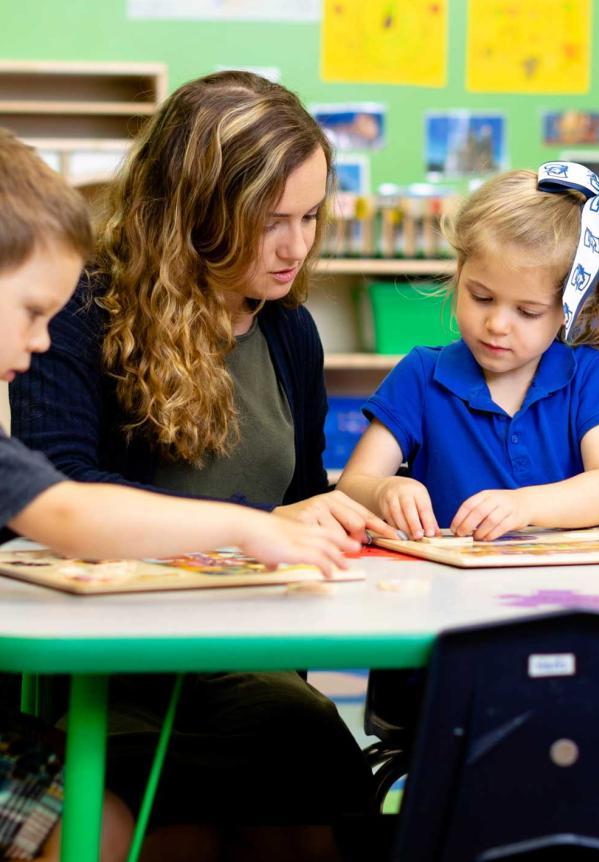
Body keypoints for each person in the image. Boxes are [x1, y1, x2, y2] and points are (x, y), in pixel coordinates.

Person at [10, 71, 395, 861]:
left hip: (245, 657)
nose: (298, 246)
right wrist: (253, 528)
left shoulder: (289, 331)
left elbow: (298, 500)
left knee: (304, 754)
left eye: (312, 216)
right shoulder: (74, 316)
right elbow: (63, 502)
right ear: (194, 212)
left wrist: (358, 502)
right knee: (170, 820)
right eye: (270, 220)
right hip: (109, 661)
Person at [338, 162, 599, 541]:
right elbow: (352, 486)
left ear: (571, 310)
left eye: (527, 312)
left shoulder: (588, 375)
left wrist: (525, 506)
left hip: (572, 582)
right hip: (454, 588)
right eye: (481, 297)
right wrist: (383, 490)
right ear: (460, 272)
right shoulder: (421, 374)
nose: (497, 325)